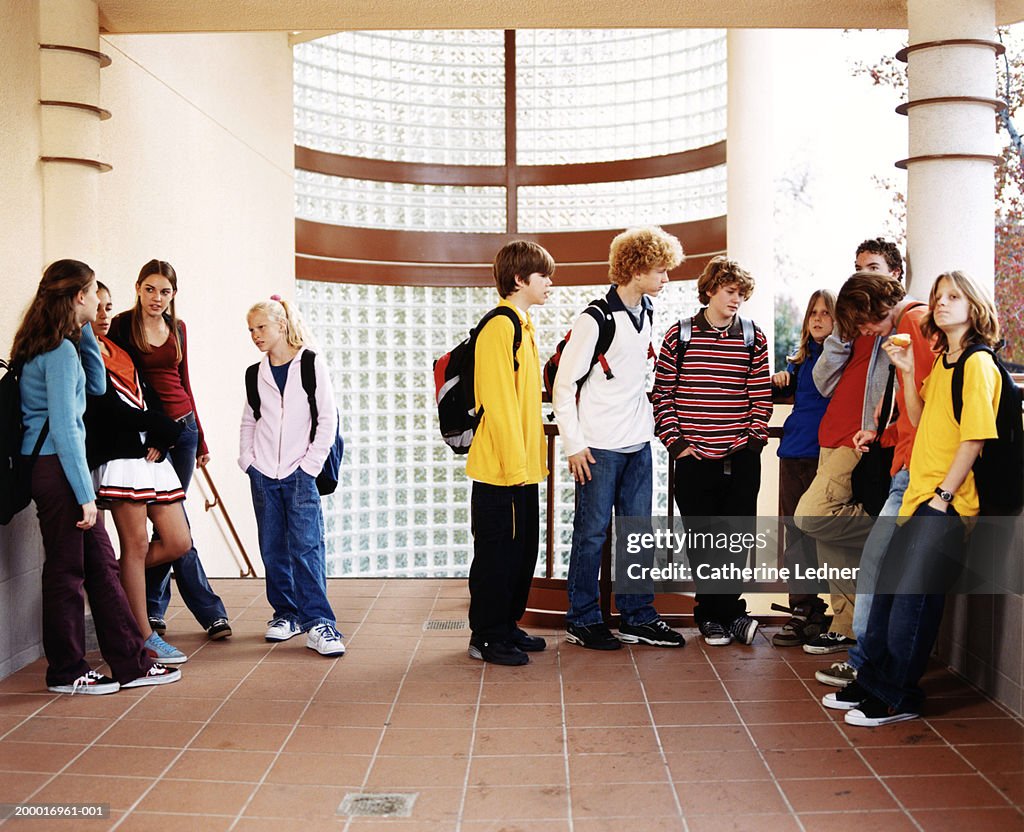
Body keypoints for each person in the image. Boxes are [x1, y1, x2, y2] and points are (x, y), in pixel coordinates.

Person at [824, 270, 1001, 725]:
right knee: (888, 595)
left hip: (942, 498)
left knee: (912, 603)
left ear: (974, 306)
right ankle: (875, 682)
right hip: (918, 489)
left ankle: (896, 696)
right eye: (939, 296)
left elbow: (975, 438)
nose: (940, 304)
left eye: (953, 297)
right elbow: (920, 417)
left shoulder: (977, 362)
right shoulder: (945, 360)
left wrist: (943, 496)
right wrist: (904, 373)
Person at [11, 260, 180, 694]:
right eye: (91, 295)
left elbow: (98, 386)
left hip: (60, 468)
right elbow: (67, 428)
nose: (101, 305)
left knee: (102, 567)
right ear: (79, 297)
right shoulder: (58, 352)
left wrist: (84, 331)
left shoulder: (51, 344)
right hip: (59, 470)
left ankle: (132, 662)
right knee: (67, 572)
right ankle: (66, 672)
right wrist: (86, 496)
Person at [553, 227, 686, 650]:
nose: (666, 278)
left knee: (637, 533)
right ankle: (583, 619)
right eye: (660, 270)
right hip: (597, 448)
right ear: (636, 268)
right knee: (591, 535)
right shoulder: (594, 318)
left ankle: (637, 617)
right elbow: (563, 384)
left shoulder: (646, 311)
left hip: (637, 444)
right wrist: (573, 444)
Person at [815, 272, 933, 687]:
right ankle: (868, 664)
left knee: (877, 567)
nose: (863, 332)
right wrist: (880, 432)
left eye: (862, 323)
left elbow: (927, 404)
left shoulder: (915, 324)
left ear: (871, 306)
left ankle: (865, 667)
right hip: (904, 459)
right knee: (880, 568)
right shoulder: (904, 327)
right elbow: (908, 400)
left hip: (915, 467)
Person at [794, 239, 904, 671]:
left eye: (874, 268)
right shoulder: (855, 327)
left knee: (813, 516)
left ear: (895, 272)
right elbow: (822, 381)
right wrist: (840, 333)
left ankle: (891, 538)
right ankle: (846, 625)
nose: (864, 275)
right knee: (828, 539)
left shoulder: (898, 325)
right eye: (858, 268)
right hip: (832, 435)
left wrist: (879, 430)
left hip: (861, 442)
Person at [652, 255, 772, 646]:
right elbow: (663, 395)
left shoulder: (754, 336)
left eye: (741, 293)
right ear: (710, 290)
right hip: (694, 457)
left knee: (736, 539)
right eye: (729, 291)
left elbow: (760, 395)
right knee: (703, 540)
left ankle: (727, 613)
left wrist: (753, 439)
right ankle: (715, 616)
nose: (736, 299)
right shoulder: (680, 334)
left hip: (740, 455)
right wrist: (678, 443)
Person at [108, 260, 231, 641]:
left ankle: (155, 609)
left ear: (173, 294)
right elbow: (123, 385)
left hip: (184, 430)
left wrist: (201, 439)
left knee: (169, 523)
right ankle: (209, 611)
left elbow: (185, 382)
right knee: (172, 527)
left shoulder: (178, 328)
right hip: (150, 435)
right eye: (149, 289)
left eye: (164, 291)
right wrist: (154, 435)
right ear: (138, 288)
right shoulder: (121, 326)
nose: (156, 298)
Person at [87, 282, 191, 665]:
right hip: (117, 458)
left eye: (109, 306)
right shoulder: (78, 351)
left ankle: (104, 582)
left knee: (178, 541)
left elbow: (149, 394)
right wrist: (162, 426)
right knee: (137, 547)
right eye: (96, 306)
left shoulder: (119, 348)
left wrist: (164, 437)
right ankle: (145, 636)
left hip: (150, 457)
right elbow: (103, 412)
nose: (103, 314)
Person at [239, 297, 345, 656]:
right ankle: (286, 614)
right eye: (251, 330)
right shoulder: (256, 373)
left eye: (261, 327)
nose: (255, 335)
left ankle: (320, 624)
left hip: (301, 472)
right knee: (272, 548)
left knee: (306, 547)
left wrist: (310, 466)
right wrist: (248, 461)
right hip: (264, 473)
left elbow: (327, 419)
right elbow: (249, 420)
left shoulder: (311, 363)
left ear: (281, 325)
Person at [466, 241, 554, 666]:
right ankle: (485, 636)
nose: (550, 283)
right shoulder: (500, 326)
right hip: (501, 470)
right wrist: (517, 466)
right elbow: (498, 403)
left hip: (521, 469)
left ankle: (506, 626)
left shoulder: (523, 324)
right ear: (520, 280)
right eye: (544, 276)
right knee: (497, 555)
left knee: (521, 554)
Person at [770, 290, 836, 647]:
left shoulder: (841, 357)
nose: (818, 318)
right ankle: (804, 609)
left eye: (826, 313)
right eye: (813, 312)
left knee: (826, 535)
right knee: (794, 535)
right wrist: (783, 378)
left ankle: (831, 609)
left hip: (826, 455)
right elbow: (791, 386)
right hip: (793, 453)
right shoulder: (799, 362)